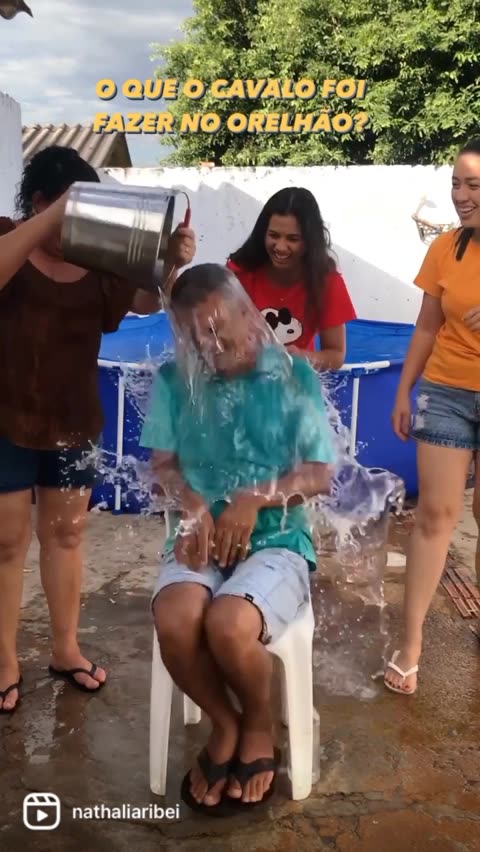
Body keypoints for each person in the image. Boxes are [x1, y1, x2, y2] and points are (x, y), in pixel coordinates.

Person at [0, 145, 195, 713]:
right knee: (6, 543)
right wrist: (48, 222)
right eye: (69, 207)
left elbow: (141, 301)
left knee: (65, 536)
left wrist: (170, 261)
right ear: (40, 202)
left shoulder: (96, 254)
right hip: (6, 418)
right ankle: (5, 661)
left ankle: (65, 649)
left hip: (72, 421)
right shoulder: (10, 236)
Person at [141, 264, 333, 813]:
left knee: (228, 625)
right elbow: (163, 467)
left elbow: (319, 475)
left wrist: (254, 499)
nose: (211, 347)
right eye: (197, 338)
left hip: (278, 541)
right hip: (200, 537)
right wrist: (194, 505)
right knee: (175, 618)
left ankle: (258, 724)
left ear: (249, 316)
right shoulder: (176, 381)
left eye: (219, 330)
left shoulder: (293, 377)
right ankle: (224, 721)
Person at [384, 137, 480, 695]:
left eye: (473, 185)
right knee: (435, 516)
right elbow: (427, 325)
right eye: (456, 184)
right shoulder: (446, 248)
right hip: (445, 391)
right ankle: (411, 643)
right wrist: (403, 390)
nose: (461, 196)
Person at [227, 187, 356, 369]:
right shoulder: (239, 272)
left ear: (310, 241)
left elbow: (335, 355)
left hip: (296, 381)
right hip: (241, 376)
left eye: (293, 239)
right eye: (274, 235)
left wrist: (303, 357)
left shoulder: (327, 282)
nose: (280, 247)